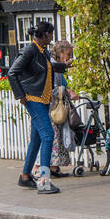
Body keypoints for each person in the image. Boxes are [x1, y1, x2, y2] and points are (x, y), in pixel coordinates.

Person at [8, 20, 67, 194]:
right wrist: (20, 96)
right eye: (51, 34)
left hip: (42, 99)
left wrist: (65, 66)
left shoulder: (43, 51)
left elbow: (50, 67)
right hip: (33, 98)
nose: (52, 37)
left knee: (36, 140)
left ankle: (25, 176)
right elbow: (12, 73)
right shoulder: (29, 50)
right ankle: (44, 181)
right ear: (46, 34)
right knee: (48, 135)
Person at [49, 39, 76, 177]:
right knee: (53, 137)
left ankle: (54, 168)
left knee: (58, 137)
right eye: (68, 54)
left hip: (57, 106)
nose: (70, 57)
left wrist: (69, 91)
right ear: (60, 52)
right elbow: (52, 87)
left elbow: (63, 83)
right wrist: (67, 91)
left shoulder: (58, 67)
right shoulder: (52, 66)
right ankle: (42, 168)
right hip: (51, 107)